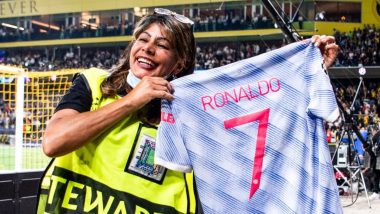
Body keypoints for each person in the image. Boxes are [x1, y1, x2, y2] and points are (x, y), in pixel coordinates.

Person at [37, 7, 339, 214]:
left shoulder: (192, 110)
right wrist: (131, 100)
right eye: (142, 40)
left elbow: (258, 143)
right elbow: (54, 142)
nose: (147, 48)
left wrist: (304, 75)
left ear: (179, 63)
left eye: (162, 44)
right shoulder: (93, 84)